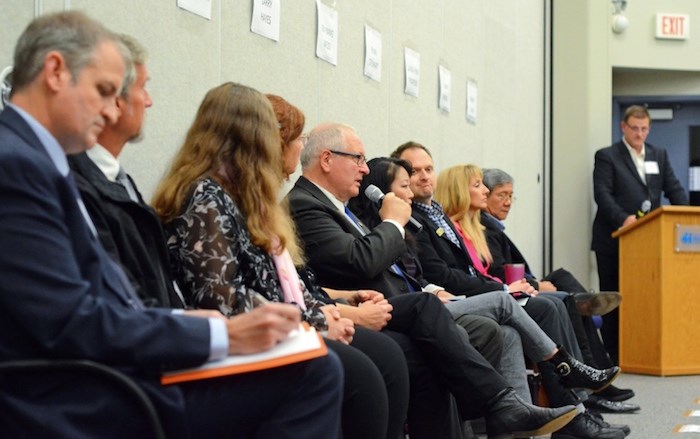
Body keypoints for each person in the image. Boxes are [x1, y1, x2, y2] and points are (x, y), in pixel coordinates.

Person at [0, 11, 342, 439]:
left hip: (106, 370)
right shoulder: (15, 166)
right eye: (105, 91)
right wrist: (219, 334)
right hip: (76, 395)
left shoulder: (38, 161)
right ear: (54, 72)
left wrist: (203, 327)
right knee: (313, 371)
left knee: (314, 362)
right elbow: (71, 321)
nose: (111, 109)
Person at [287, 123, 578, 438]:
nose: (364, 168)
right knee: (441, 321)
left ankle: (508, 407)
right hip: (341, 314)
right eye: (358, 158)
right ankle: (509, 401)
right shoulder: (307, 205)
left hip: (370, 302)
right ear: (327, 160)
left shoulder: (339, 209)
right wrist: (393, 223)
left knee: (453, 332)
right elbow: (361, 260)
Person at [154, 86, 409, 439]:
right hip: (233, 345)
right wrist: (315, 320)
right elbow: (222, 300)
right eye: (292, 138)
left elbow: (279, 284)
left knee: (387, 357)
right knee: (364, 372)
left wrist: (324, 310)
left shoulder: (242, 199)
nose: (297, 146)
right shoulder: (206, 197)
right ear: (255, 139)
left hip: (277, 324)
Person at [392, 144, 629, 439]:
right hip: (435, 304)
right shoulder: (411, 220)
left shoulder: (439, 217)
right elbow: (441, 274)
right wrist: (503, 287)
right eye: (413, 172)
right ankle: (570, 383)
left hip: (452, 297)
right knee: (542, 304)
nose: (425, 176)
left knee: (529, 319)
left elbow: (463, 272)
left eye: (429, 168)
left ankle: (532, 420)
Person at [482, 167, 639, 411]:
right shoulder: (484, 229)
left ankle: (594, 367)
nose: (508, 202)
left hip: (520, 287)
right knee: (565, 299)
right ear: (485, 195)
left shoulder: (492, 227)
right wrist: (535, 285)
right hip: (511, 292)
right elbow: (495, 273)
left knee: (564, 283)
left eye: (511, 196)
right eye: (501, 195)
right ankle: (593, 380)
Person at [67, 33, 183, 308]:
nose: (149, 101)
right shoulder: (75, 183)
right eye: (143, 88)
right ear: (115, 99)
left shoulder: (120, 180)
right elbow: (120, 298)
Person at [592, 105, 688, 365]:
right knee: (614, 298)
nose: (639, 133)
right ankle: (614, 355)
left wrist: (689, 216)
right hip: (613, 239)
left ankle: (643, 349)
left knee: (645, 296)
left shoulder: (659, 155)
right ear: (624, 127)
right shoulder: (607, 156)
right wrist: (624, 219)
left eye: (644, 128)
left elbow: (674, 189)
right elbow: (602, 194)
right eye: (634, 128)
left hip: (650, 242)